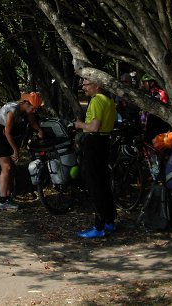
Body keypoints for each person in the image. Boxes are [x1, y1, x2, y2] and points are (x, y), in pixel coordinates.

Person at [74, 79, 117, 238]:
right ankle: (109, 221)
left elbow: (94, 127)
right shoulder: (109, 100)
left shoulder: (97, 100)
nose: (83, 87)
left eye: (87, 84)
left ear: (97, 85)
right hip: (105, 141)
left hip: (94, 141)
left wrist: (79, 125)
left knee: (94, 184)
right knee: (104, 182)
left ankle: (99, 226)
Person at [0, 98, 44, 210]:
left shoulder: (27, 110)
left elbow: (32, 122)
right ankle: (2, 201)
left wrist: (39, 130)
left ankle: (8, 197)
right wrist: (15, 150)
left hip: (5, 134)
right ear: (26, 103)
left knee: (11, 167)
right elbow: (7, 132)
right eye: (33, 108)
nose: (33, 111)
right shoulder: (12, 109)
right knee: (6, 166)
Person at [140, 73, 171, 141]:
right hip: (150, 125)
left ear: (151, 83)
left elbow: (164, 110)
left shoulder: (161, 93)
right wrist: (143, 120)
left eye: (145, 82)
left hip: (159, 125)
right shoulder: (147, 94)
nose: (143, 85)